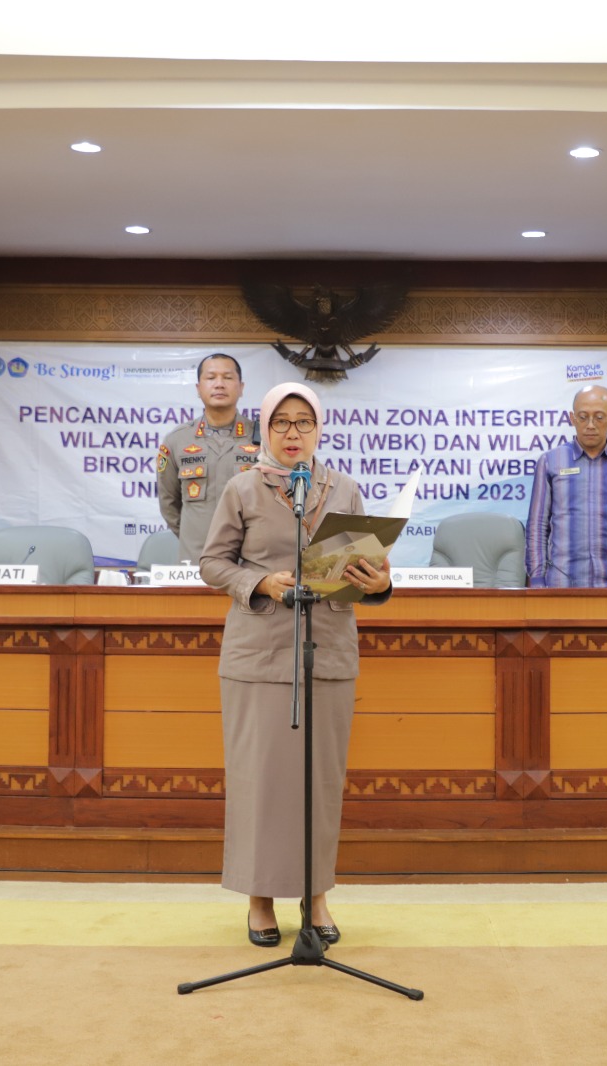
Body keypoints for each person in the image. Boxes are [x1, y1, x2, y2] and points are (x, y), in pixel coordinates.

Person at [198, 381, 392, 947]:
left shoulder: (343, 488)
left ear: (319, 429)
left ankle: (317, 895)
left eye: (304, 422)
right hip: (258, 654)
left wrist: (379, 582)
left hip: (326, 650)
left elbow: (367, 571)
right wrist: (260, 581)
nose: (292, 433)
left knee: (320, 783)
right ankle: (259, 900)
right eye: (281, 422)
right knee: (259, 781)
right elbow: (212, 563)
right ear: (264, 428)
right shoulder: (242, 488)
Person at [524, 385, 607, 587]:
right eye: (583, 417)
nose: (590, 425)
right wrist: (538, 580)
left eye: (599, 417)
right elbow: (537, 526)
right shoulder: (550, 461)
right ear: (572, 418)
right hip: (562, 584)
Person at [157, 354, 255, 564]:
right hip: (196, 560)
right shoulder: (177, 440)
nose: (219, 384)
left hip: (250, 562)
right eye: (211, 378)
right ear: (198, 388)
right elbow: (169, 503)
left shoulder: (263, 439)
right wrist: (193, 537)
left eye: (227, 377)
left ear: (241, 387)